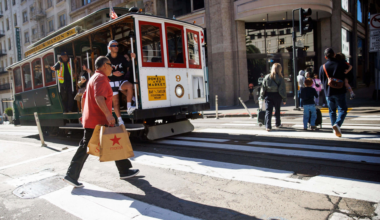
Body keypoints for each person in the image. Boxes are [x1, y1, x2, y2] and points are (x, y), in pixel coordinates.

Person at [63, 56, 140, 188]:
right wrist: (109, 115)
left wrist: (84, 114)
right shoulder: (101, 78)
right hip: (97, 120)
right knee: (85, 147)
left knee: (114, 140)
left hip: (94, 118)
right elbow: (99, 98)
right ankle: (71, 175)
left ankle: (124, 170)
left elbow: (84, 98)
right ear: (104, 65)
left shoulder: (93, 78)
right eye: (110, 65)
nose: (112, 67)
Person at [319, 48, 349, 138]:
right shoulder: (341, 64)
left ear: (325, 57)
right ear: (334, 54)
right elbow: (348, 74)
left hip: (328, 92)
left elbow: (321, 80)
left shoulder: (323, 67)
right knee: (342, 109)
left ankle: (334, 129)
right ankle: (337, 124)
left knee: (332, 111)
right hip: (340, 90)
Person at [106, 40, 136, 125]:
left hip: (121, 80)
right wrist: (113, 73)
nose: (116, 47)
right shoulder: (106, 59)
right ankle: (120, 120)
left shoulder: (121, 57)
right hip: (111, 82)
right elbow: (103, 71)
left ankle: (129, 107)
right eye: (114, 45)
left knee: (130, 86)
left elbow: (127, 65)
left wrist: (133, 58)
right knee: (116, 102)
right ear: (109, 48)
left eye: (117, 45)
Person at [260, 63, 287, 131]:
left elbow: (263, 88)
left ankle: (268, 126)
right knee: (277, 110)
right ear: (280, 69)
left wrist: (262, 96)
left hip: (268, 95)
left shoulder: (267, 77)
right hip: (277, 95)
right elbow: (282, 89)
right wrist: (284, 99)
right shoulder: (281, 78)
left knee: (268, 111)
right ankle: (277, 123)